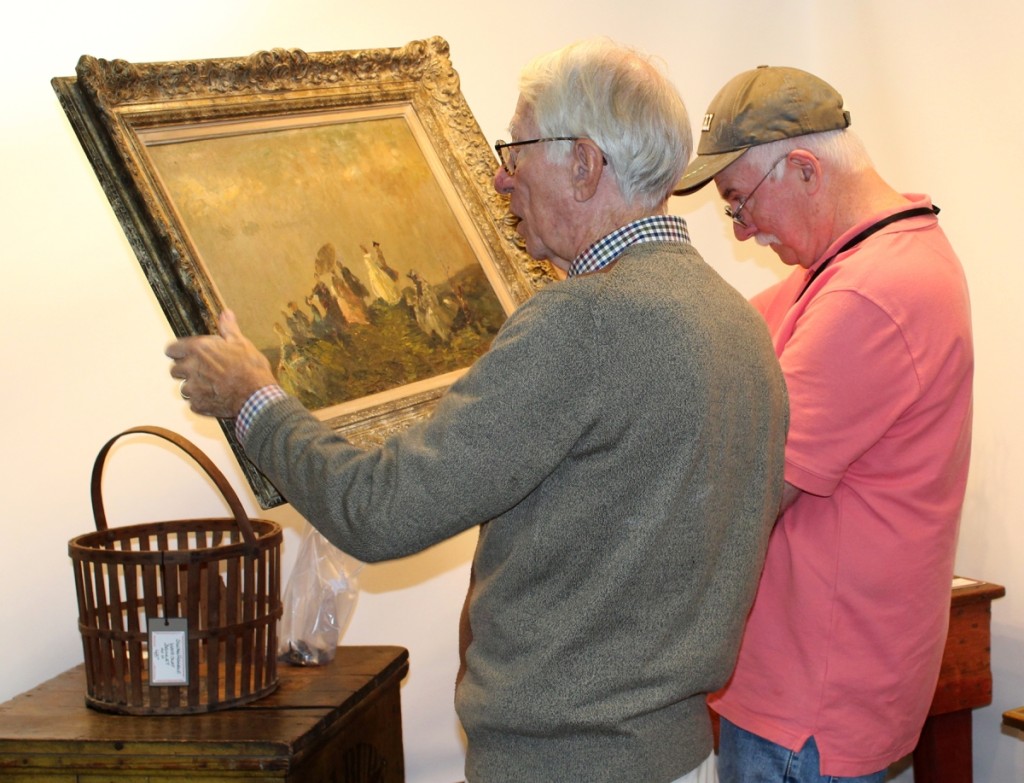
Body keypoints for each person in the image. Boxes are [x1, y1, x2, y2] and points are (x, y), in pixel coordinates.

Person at [168, 39, 788, 783]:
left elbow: (380, 511)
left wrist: (251, 399)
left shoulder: (582, 323)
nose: (500, 176)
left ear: (584, 165)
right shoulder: (738, 321)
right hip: (678, 754)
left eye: (516, 150)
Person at [674, 65, 973, 782]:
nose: (742, 229)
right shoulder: (858, 258)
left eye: (740, 203)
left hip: (807, 712)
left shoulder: (873, 293)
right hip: (814, 691)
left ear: (803, 169)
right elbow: (729, 334)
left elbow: (747, 490)